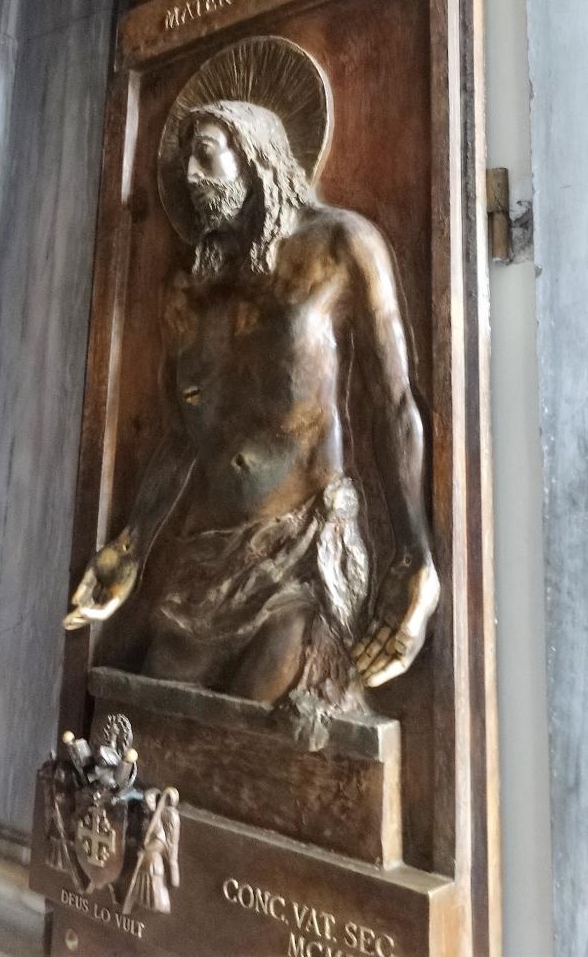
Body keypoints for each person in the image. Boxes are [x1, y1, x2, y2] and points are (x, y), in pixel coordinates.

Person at [65, 97, 439, 708]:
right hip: (210, 559)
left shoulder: (342, 245)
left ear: (256, 156)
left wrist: (415, 555)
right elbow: (183, 436)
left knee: (264, 715)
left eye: (206, 154)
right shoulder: (195, 286)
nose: (191, 175)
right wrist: (130, 545)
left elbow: (393, 402)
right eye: (186, 161)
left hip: (306, 554)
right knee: (153, 713)